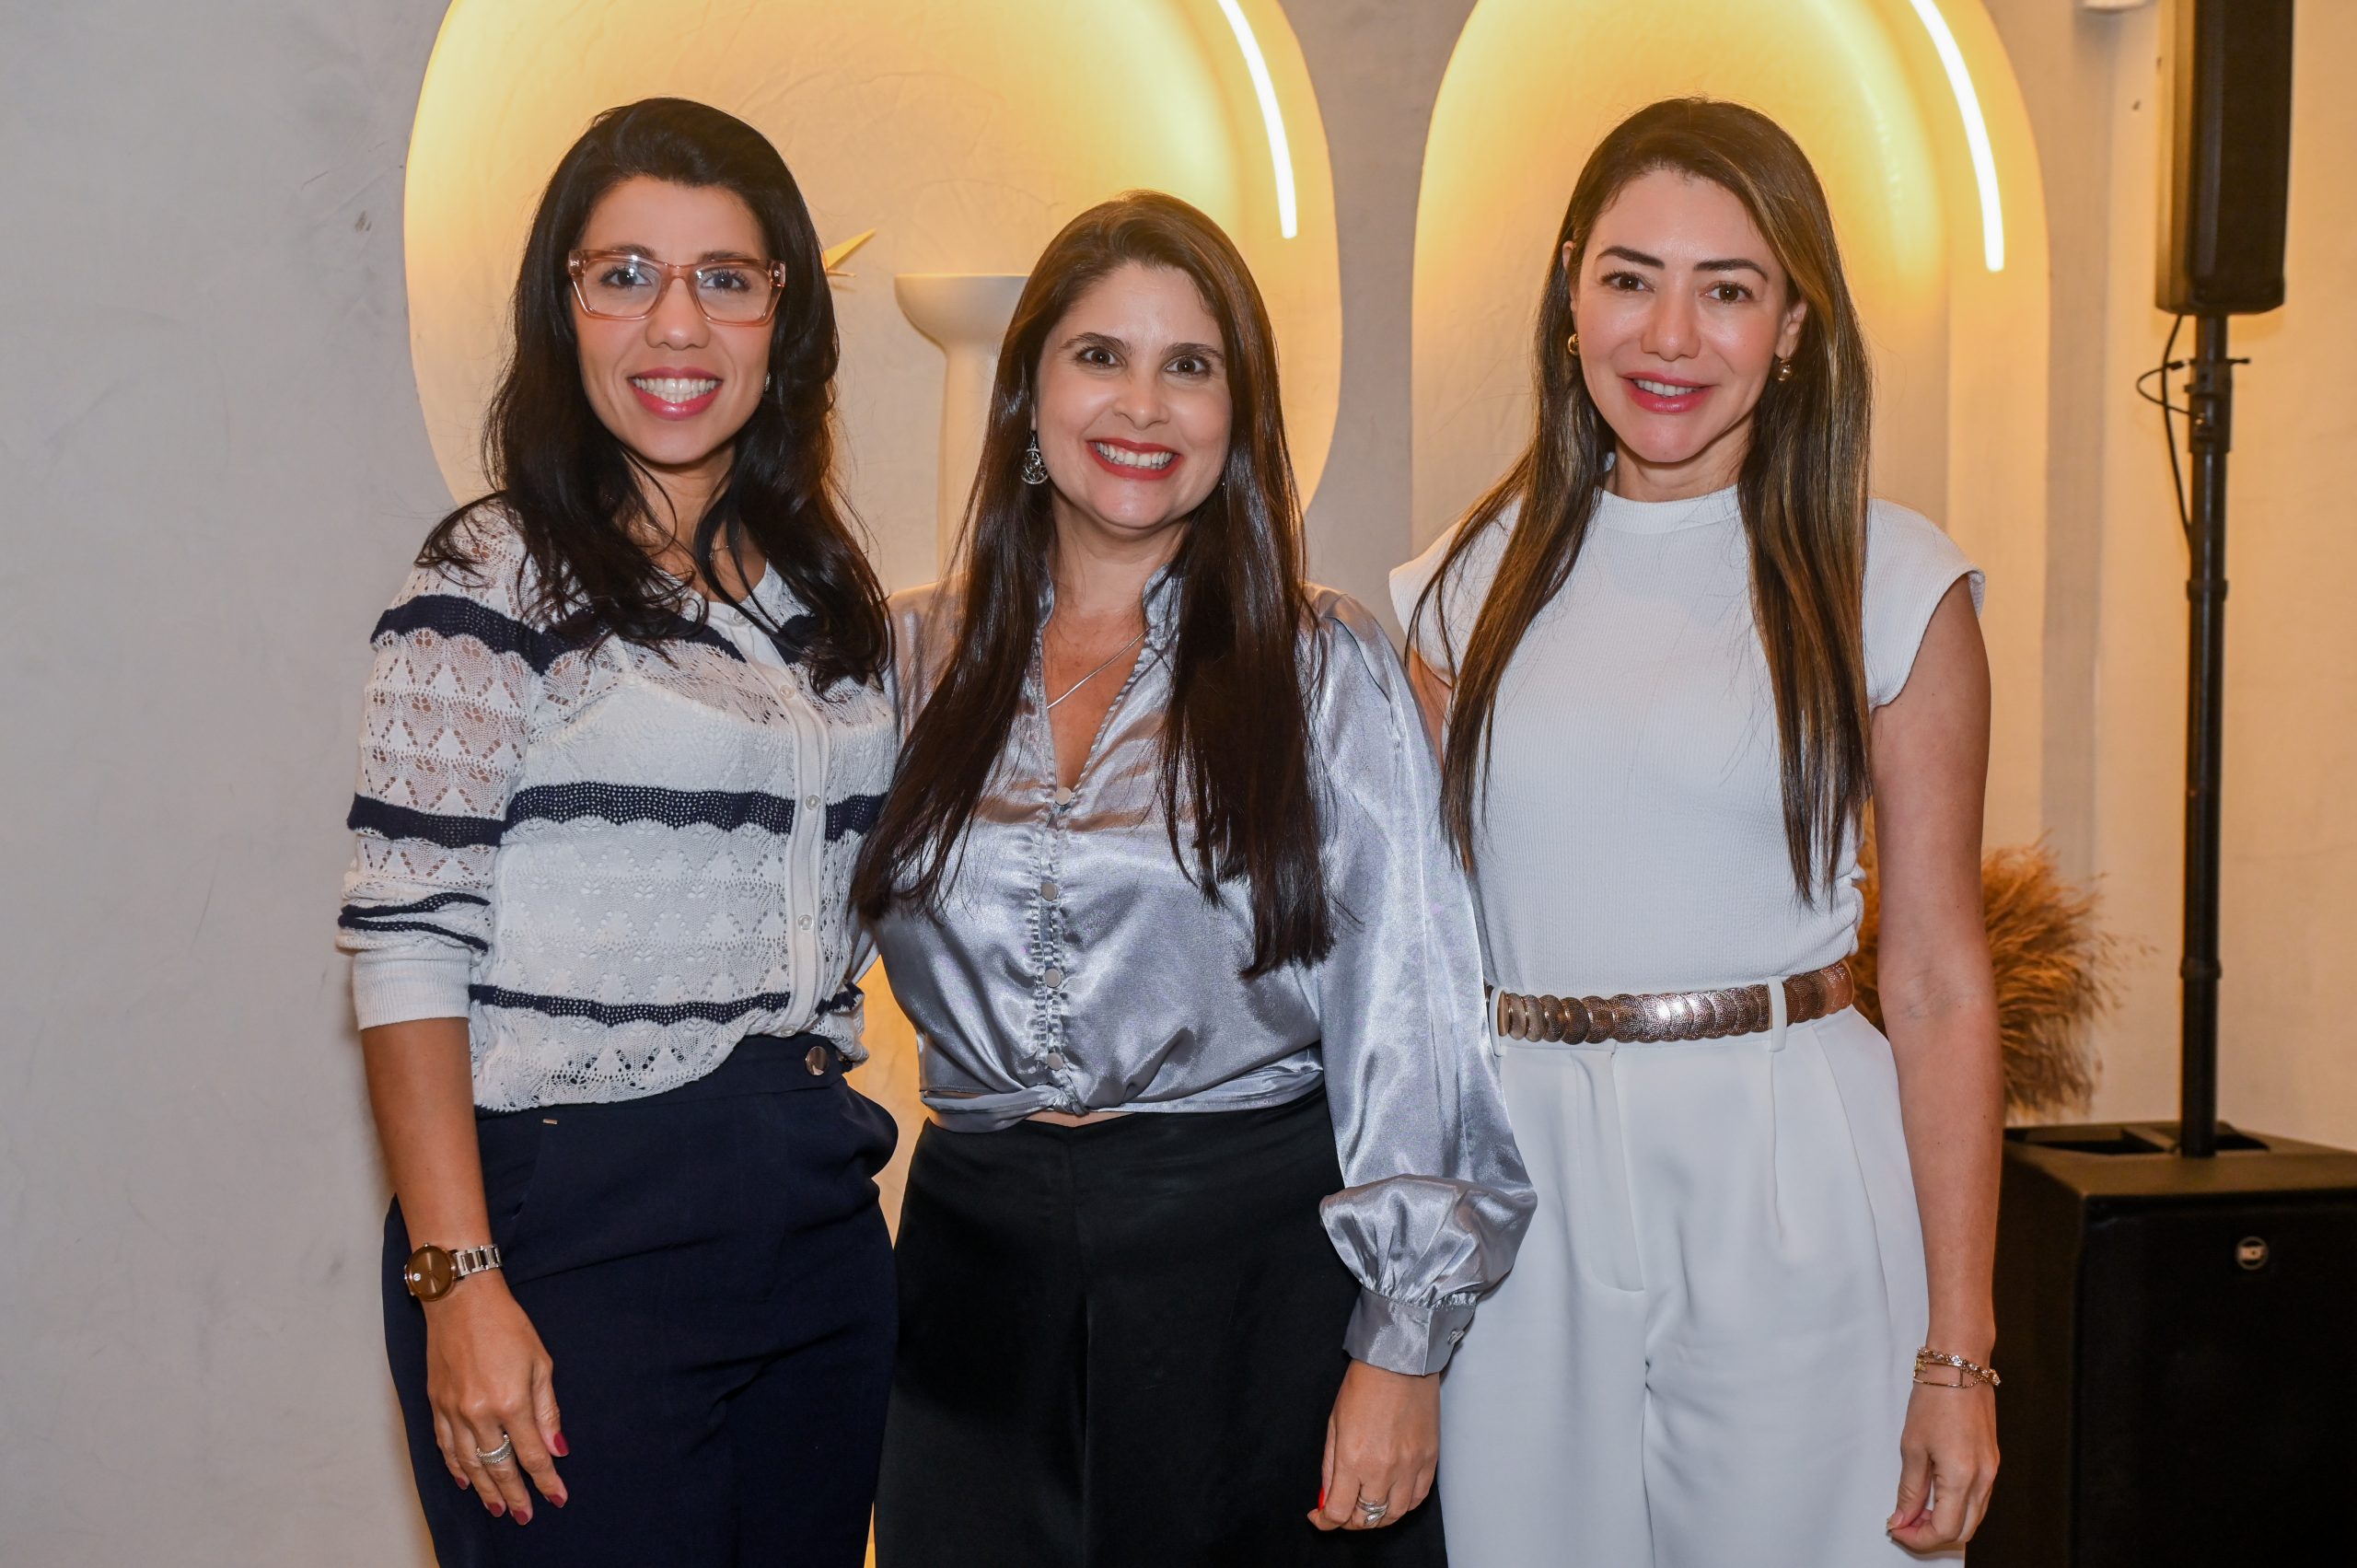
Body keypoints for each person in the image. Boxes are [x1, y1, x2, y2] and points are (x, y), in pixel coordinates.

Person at [851, 191, 1532, 1566]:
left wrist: (1401, 1346)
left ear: (1238, 415)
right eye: (1100, 355)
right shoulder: (904, 659)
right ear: (1027, 395)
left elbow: (1409, 1008)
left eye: (1190, 366)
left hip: (1251, 1269)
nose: (1143, 406)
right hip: (971, 1279)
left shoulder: (1320, 664)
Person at [1395, 99, 2003, 1565]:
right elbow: (1410, 976)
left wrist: (1960, 1353)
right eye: (1630, 278)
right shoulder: (1457, 588)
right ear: (1570, 296)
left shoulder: (1891, 579)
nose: (1669, 336)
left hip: (1791, 1171)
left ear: (1793, 327)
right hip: (1524, 1186)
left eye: (1728, 289)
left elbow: (1935, 978)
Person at [337, 99, 897, 1567]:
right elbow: (404, 945)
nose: (677, 324)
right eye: (626, 274)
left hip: (817, 1219)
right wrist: (458, 1279)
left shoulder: (823, 593)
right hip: (575, 1230)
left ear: (784, 314)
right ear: (564, 303)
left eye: (727, 277)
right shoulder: (488, 573)